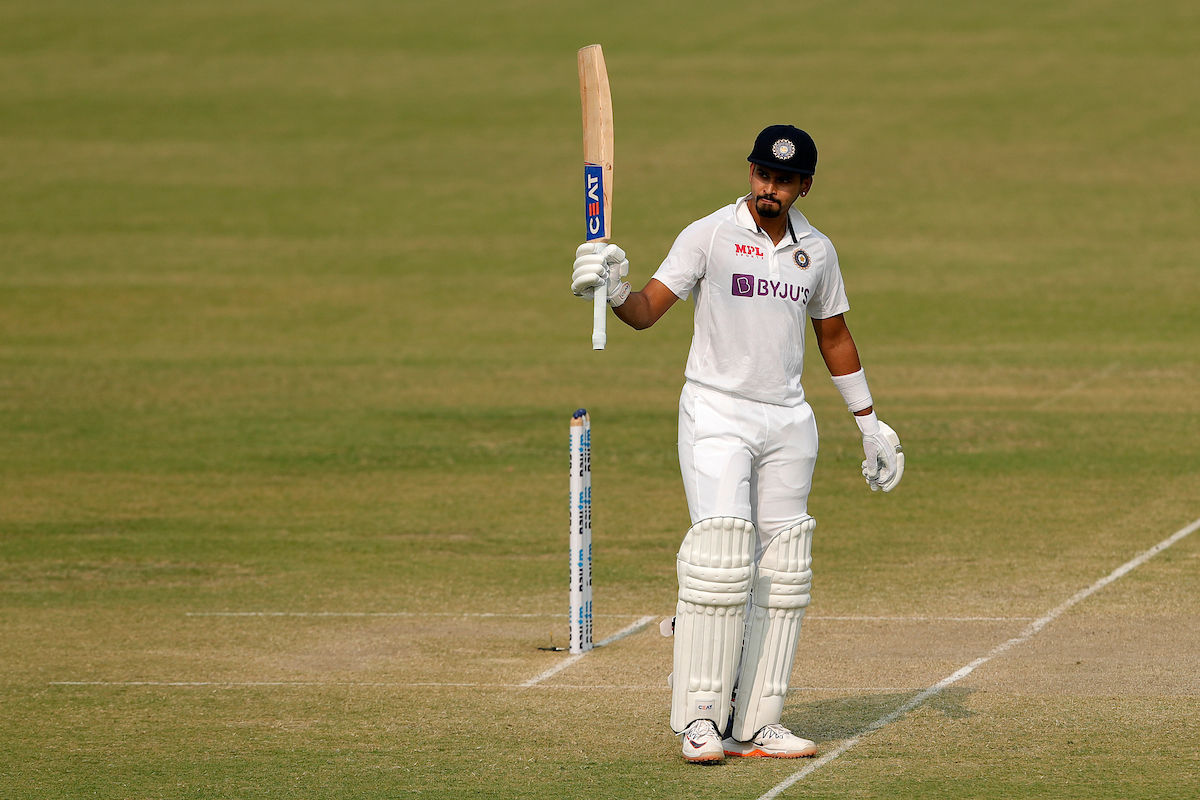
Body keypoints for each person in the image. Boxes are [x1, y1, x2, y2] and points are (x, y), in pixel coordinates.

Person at [570, 125, 903, 764]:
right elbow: (645, 311)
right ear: (749, 172)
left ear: (804, 185)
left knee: (781, 573)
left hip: (786, 421)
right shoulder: (710, 234)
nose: (768, 190)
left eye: (782, 181)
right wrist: (612, 289)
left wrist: (869, 421)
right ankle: (699, 720)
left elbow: (833, 335)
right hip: (716, 412)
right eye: (760, 176)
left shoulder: (818, 252)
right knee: (721, 560)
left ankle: (758, 722)